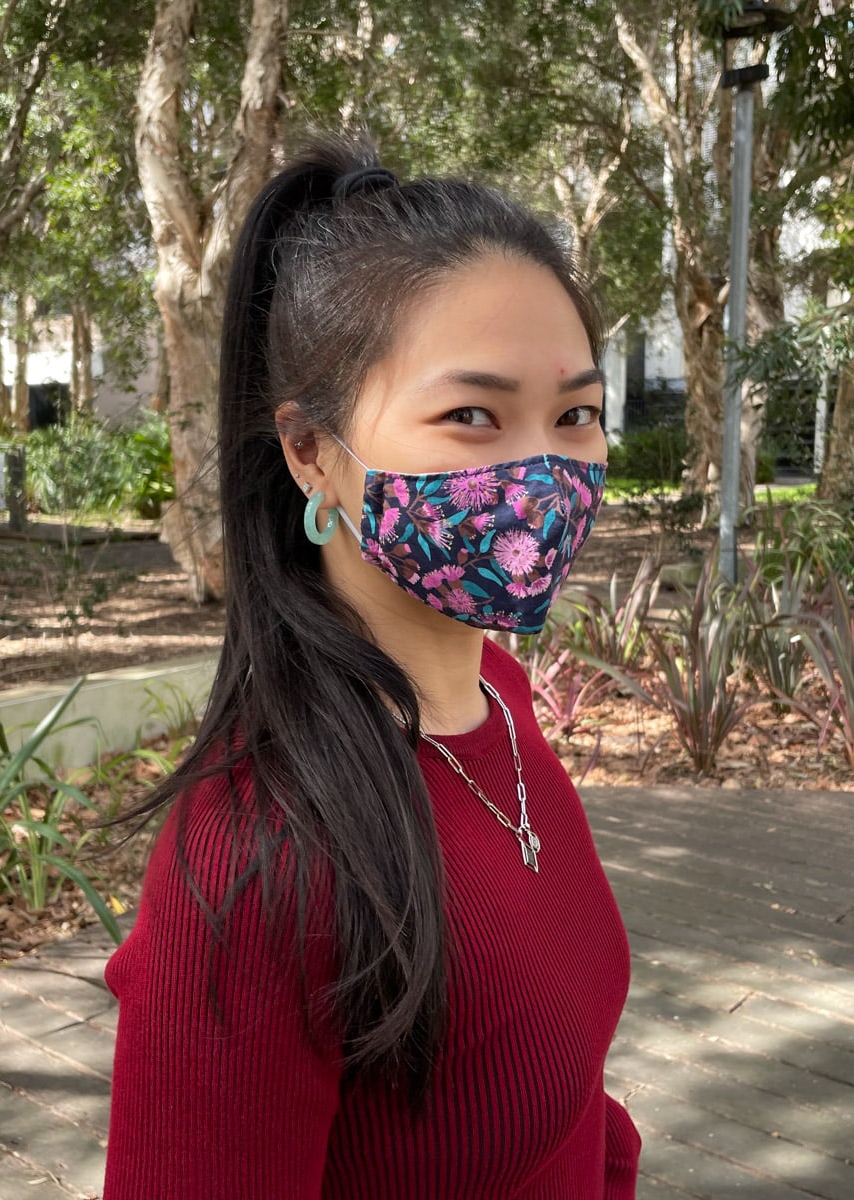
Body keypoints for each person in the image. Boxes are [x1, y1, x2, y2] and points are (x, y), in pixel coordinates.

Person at [101, 132, 642, 1199]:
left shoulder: (498, 700)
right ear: (311, 452)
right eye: (471, 416)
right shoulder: (259, 855)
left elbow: (568, 1095)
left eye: (574, 414)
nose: (542, 471)